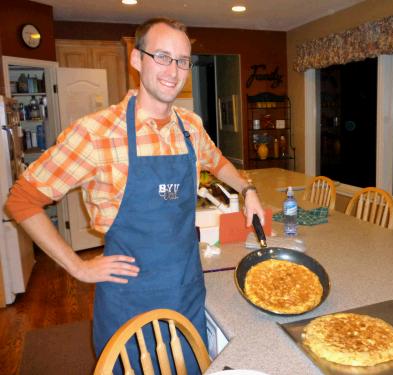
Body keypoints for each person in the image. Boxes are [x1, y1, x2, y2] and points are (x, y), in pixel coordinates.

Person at [5, 17, 265, 374]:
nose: (173, 71)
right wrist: (77, 266)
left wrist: (246, 189)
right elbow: (21, 200)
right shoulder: (95, 133)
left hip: (187, 287)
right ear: (136, 59)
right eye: (161, 56)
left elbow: (218, 162)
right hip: (130, 296)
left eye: (182, 60)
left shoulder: (190, 127)